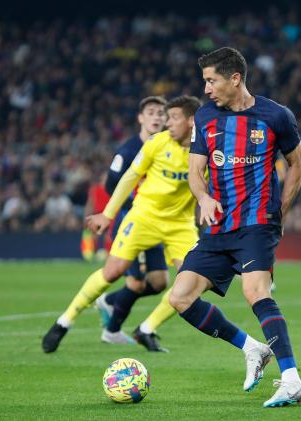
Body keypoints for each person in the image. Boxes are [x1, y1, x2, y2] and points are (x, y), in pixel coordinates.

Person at [168, 47, 301, 408]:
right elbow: (195, 172)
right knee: (180, 296)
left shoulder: (275, 116)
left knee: (256, 293)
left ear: (235, 79)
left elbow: (298, 163)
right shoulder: (206, 117)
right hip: (218, 228)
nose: (207, 89)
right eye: (205, 81)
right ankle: (252, 348)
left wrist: (281, 209)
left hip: (257, 224)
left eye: (211, 80)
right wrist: (202, 198)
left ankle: (292, 379)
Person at [42, 95, 202, 354]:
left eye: (171, 117)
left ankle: (147, 328)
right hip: (143, 217)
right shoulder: (155, 144)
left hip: (180, 224)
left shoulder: (205, 150)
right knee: (114, 272)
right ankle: (64, 322)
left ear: (192, 121)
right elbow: (129, 177)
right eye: (161, 115)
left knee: (191, 282)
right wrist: (107, 214)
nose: (165, 122)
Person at [92, 96, 173, 350]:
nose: (157, 117)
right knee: (136, 282)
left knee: (159, 282)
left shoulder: (166, 147)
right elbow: (109, 184)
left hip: (155, 222)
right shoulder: (128, 150)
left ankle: (108, 301)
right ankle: (112, 330)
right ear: (141, 118)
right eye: (151, 112)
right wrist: (131, 202)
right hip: (133, 220)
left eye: (162, 113)